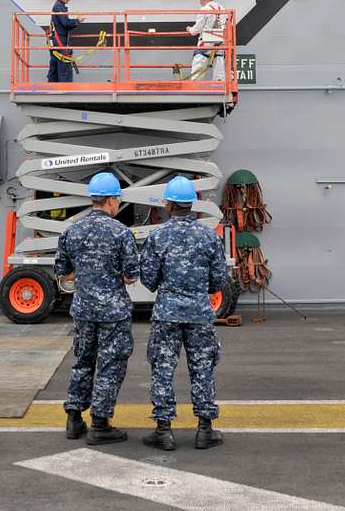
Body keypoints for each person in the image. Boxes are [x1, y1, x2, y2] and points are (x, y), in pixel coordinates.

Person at [140, 175, 227, 451]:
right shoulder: (209, 237)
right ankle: (205, 429)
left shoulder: (157, 236)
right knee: (203, 368)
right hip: (200, 313)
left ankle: (163, 430)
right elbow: (218, 279)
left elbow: (149, 279)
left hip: (167, 313)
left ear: (168, 204)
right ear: (193, 205)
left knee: (163, 369)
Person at [55, 171, 139, 445]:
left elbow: (64, 274)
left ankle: (74, 418)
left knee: (83, 361)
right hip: (113, 312)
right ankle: (100, 424)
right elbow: (130, 276)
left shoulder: (71, 231)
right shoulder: (121, 233)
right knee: (110, 365)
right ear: (112, 200)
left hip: (83, 309)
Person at [184, 0, 227, 81]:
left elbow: (197, 29)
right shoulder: (222, 9)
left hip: (206, 42)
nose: (200, 2)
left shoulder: (204, 9)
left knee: (198, 67)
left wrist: (189, 29)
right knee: (219, 65)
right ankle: (220, 87)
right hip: (220, 43)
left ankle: (196, 87)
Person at [47, 0, 83, 84]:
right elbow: (66, 23)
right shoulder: (59, 7)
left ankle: (52, 87)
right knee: (64, 67)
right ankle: (64, 89)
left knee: (55, 65)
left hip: (55, 42)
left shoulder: (58, 6)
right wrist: (78, 20)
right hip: (60, 42)